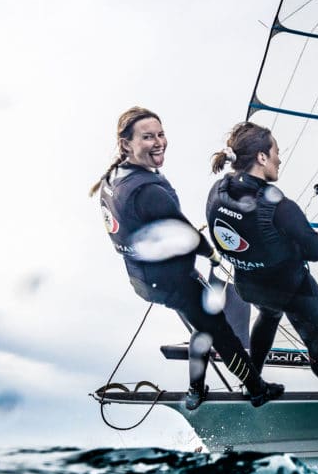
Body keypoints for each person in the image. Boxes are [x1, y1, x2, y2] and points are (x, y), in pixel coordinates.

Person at [90, 107, 283, 410]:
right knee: (218, 330)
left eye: (160, 134)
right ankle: (257, 389)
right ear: (126, 144)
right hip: (173, 281)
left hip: (143, 280)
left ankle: (196, 390)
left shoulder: (113, 178)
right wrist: (214, 254)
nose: (158, 142)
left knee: (202, 325)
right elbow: (189, 237)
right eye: (147, 137)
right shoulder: (149, 191)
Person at [205, 122, 318, 404]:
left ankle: (252, 385)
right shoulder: (279, 206)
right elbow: (316, 251)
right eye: (276, 152)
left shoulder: (217, 191)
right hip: (292, 291)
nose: (280, 158)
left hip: (250, 287)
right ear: (262, 157)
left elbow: (228, 235)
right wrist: (291, 241)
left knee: (268, 315)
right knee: (316, 339)